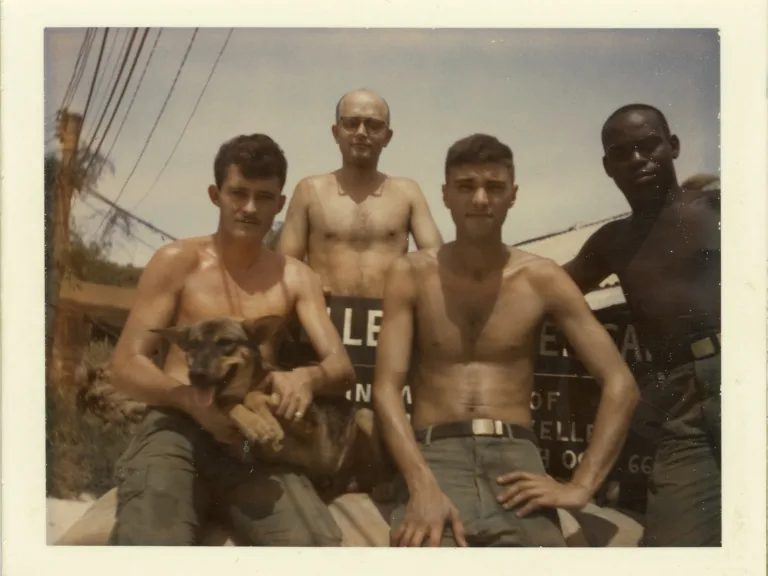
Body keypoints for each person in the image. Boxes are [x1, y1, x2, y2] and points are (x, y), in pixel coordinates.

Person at [372, 133, 640, 547]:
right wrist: (421, 484)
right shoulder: (411, 274)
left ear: (512, 195)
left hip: (515, 461)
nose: (480, 199)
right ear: (445, 194)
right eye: (466, 187)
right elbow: (387, 390)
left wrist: (581, 485)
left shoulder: (542, 277)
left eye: (494, 187)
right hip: (434, 455)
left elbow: (620, 384)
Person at [107, 134, 356, 546]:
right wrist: (189, 401)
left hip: (255, 445)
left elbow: (341, 369)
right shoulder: (177, 262)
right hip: (178, 431)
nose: (249, 208)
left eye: (264, 197)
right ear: (215, 194)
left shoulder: (295, 277)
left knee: (314, 547)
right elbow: (125, 365)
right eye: (238, 193)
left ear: (280, 203)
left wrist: (307, 378)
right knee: (148, 542)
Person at [563, 104, 721, 547]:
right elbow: (547, 287)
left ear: (672, 147)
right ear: (607, 167)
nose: (637, 159)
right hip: (684, 406)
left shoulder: (720, 206)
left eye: (648, 145)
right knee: (670, 546)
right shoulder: (612, 241)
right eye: (621, 152)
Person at [277, 88, 443, 298]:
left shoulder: (407, 192)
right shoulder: (309, 190)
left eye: (374, 125)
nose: (362, 132)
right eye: (351, 123)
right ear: (335, 132)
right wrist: (308, 285)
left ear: (387, 137)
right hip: (323, 318)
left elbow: (434, 262)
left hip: (389, 319)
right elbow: (286, 265)